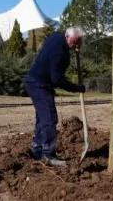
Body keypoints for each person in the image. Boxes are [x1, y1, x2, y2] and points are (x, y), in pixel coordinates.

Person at [24, 26, 86, 167]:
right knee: (50, 118)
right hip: (39, 85)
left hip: (34, 82)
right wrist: (77, 88)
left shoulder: (56, 37)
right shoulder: (60, 54)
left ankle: (37, 151)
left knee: (43, 118)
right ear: (74, 40)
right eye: (78, 42)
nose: (78, 46)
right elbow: (57, 79)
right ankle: (48, 155)